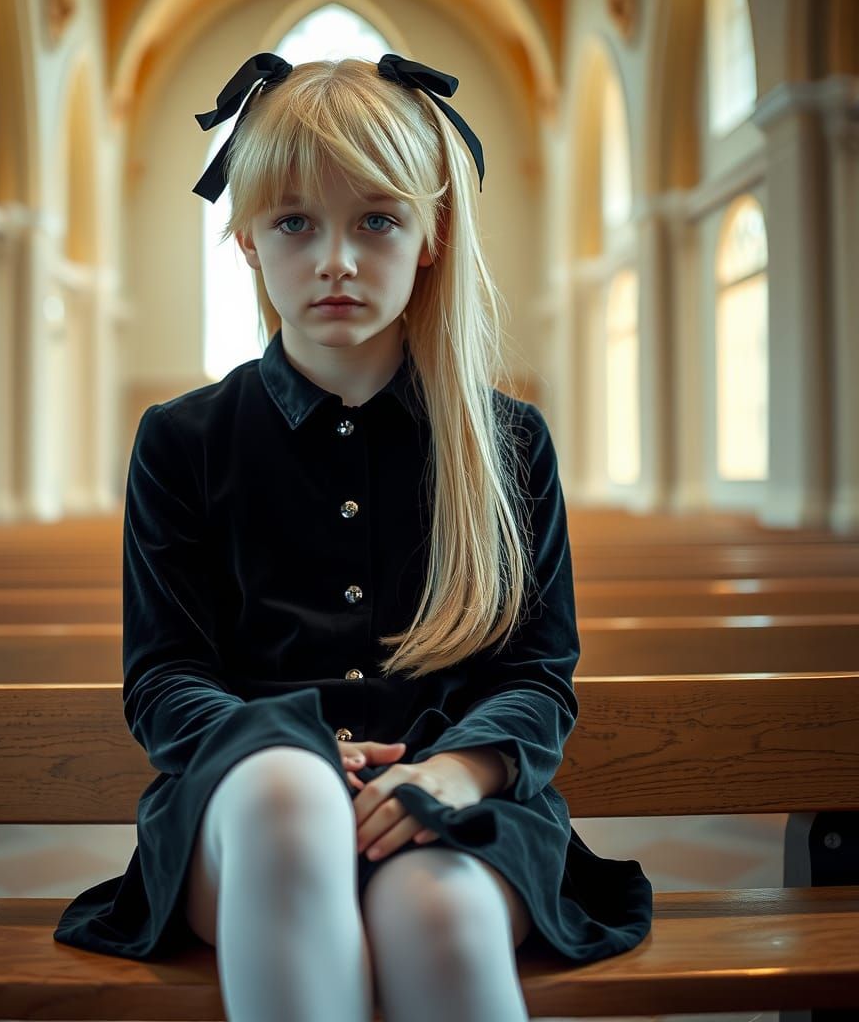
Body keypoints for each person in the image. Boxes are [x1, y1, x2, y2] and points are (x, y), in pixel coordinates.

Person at [54, 52, 653, 1022]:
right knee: (290, 798)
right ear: (248, 241)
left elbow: (537, 674)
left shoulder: (507, 443)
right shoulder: (181, 441)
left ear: (430, 234)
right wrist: (287, 744)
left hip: (465, 804)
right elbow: (164, 678)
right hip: (244, 813)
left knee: (439, 916)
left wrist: (451, 773)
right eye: (295, 222)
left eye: (375, 219)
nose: (334, 258)